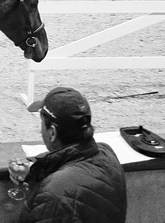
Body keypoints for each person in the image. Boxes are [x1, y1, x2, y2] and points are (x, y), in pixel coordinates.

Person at [8, 87, 127, 223]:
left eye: (42, 123)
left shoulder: (52, 195)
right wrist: (35, 168)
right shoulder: (106, 153)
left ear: (52, 133)